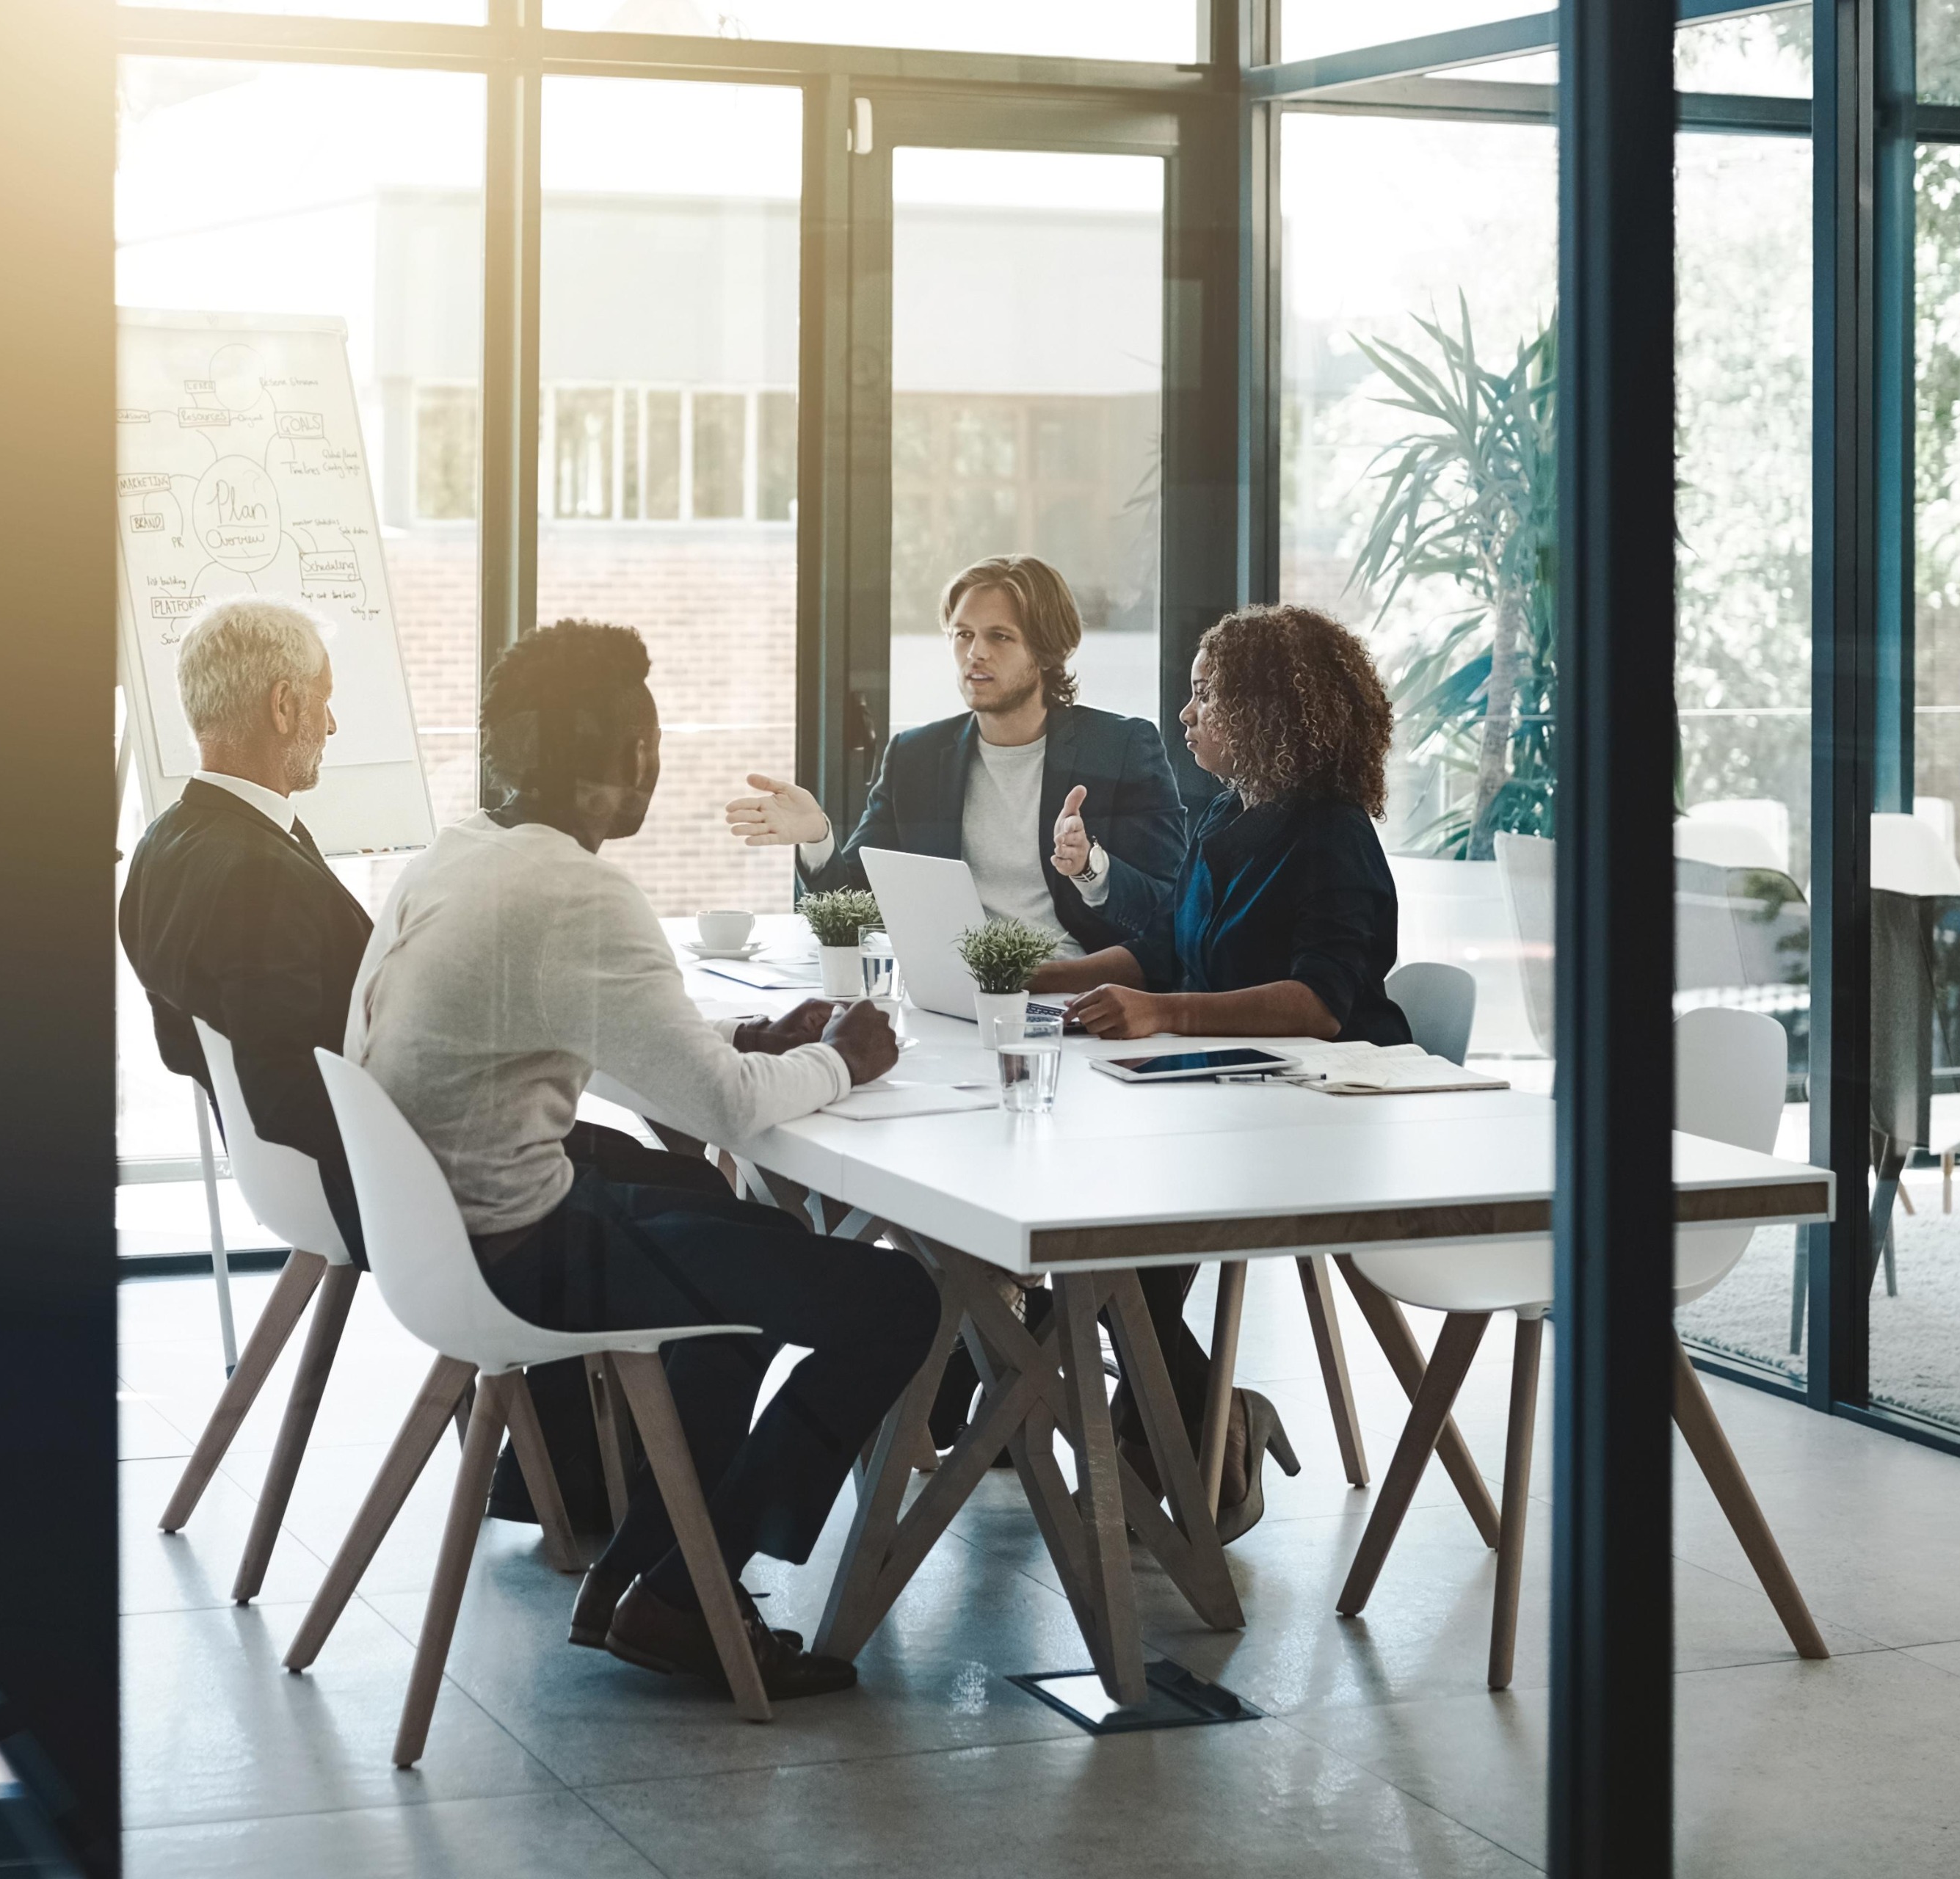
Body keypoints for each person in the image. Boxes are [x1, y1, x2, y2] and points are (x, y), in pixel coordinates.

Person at [349, 619, 937, 1699]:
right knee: (896, 1297)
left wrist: (744, 1043)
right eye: (641, 737)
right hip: (517, 1256)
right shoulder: (577, 891)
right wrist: (843, 1059)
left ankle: (663, 1580)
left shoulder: (463, 852)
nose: (652, 760)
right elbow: (727, 1111)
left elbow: (602, 1044)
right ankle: (680, 1595)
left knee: (755, 1243)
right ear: (604, 758)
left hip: (444, 1235)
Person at [1032, 603, 1411, 1538]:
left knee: (1120, 1260)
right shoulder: (1229, 815)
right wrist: (1041, 975)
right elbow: (1164, 950)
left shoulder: (1331, 834)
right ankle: (1200, 1428)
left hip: (1323, 1120)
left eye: (1208, 696)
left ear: (1272, 714)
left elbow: (1320, 1003)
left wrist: (1163, 1013)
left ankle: (1178, 1434)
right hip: (1228, 1097)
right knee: (1113, 1252)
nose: (1186, 714)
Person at [723, 555, 1187, 960]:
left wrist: (1091, 867)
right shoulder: (916, 757)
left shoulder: (1122, 747)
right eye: (963, 634)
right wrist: (817, 837)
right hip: (952, 987)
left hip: (1077, 989)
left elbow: (1170, 907)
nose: (975, 653)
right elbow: (856, 905)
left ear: (1046, 651)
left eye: (1000, 637)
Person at [119, 597, 371, 1251]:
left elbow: (191, 1050)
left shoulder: (162, 845)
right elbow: (286, 1089)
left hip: (285, 1182)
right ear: (285, 706)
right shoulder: (259, 877)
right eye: (324, 700)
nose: (333, 723)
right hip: (371, 1188)